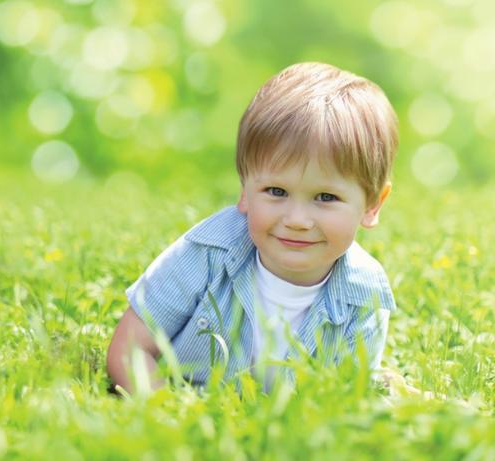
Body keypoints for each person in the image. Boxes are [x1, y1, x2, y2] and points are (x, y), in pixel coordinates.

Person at [107, 62, 398, 393]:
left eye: (326, 197)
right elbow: (130, 349)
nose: (297, 220)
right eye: (277, 192)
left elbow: (344, 403)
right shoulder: (206, 254)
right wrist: (171, 416)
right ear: (245, 190)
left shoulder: (364, 296)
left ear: (373, 204)